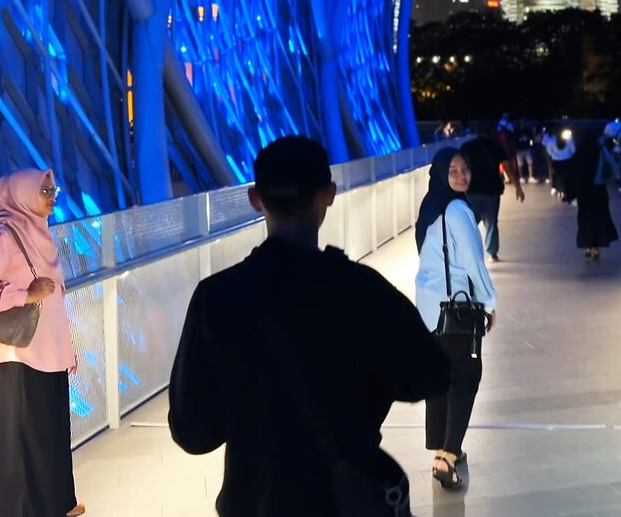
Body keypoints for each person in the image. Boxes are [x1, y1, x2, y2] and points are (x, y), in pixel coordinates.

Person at [169, 136, 451, 516]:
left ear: (256, 199)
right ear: (329, 194)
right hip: (343, 498)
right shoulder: (360, 289)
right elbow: (432, 374)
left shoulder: (217, 298)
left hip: (256, 501)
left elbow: (193, 432)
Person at [0, 169, 84, 517]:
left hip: (48, 353)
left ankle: (58, 505)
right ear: (21, 195)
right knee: (21, 441)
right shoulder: (2, 238)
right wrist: (25, 294)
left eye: (52, 189)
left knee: (51, 433)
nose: (52, 196)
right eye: (44, 191)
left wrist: (66, 349)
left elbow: (56, 301)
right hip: (17, 354)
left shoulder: (40, 235)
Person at [414, 148, 498, 491]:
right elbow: (474, 263)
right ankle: (446, 458)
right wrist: (489, 301)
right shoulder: (459, 211)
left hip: (429, 309)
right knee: (465, 378)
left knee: (439, 379)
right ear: (440, 173)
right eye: (453, 170)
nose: (461, 175)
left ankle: (443, 444)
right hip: (457, 311)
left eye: (465, 168)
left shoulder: (430, 208)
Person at [460, 127, 525, 261]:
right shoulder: (497, 147)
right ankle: (492, 252)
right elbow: (508, 168)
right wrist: (517, 187)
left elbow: (460, 167)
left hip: (472, 190)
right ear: (491, 133)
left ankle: (468, 251)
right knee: (491, 222)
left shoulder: (467, 147)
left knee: (470, 222)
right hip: (492, 190)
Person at [569, 130, 619, 260]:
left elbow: (573, 173)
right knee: (599, 217)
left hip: (584, 191)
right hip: (599, 189)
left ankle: (588, 246)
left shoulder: (578, 153)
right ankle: (596, 248)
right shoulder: (601, 151)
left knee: (585, 218)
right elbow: (613, 166)